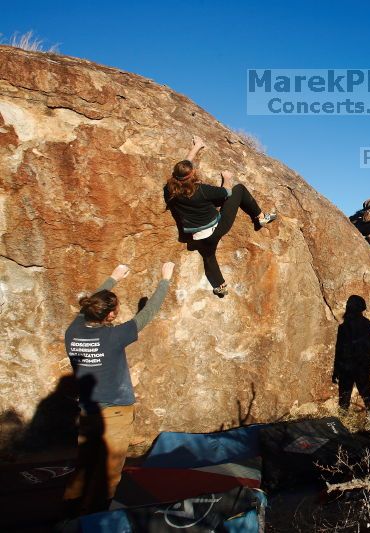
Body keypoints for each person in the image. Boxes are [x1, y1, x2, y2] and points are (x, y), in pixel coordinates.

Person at [63, 262, 174, 516]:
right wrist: (165, 279)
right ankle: (99, 520)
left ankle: (68, 514)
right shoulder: (113, 337)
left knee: (85, 466)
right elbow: (148, 313)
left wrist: (113, 277)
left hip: (88, 411)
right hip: (115, 413)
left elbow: (89, 305)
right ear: (110, 316)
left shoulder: (73, 330)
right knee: (110, 471)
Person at [163, 136, 276, 298]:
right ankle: (260, 217)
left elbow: (183, 169)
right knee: (239, 189)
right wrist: (227, 179)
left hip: (196, 237)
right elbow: (226, 193)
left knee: (209, 257)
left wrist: (196, 147)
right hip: (216, 228)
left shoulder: (170, 190)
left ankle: (220, 286)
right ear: (192, 174)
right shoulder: (201, 190)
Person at [333, 295, 370, 422]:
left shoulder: (343, 327)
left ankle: (342, 424)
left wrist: (336, 371)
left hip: (346, 369)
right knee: (367, 396)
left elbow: (339, 351)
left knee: (344, 400)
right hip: (361, 368)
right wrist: (366, 360)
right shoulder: (368, 324)